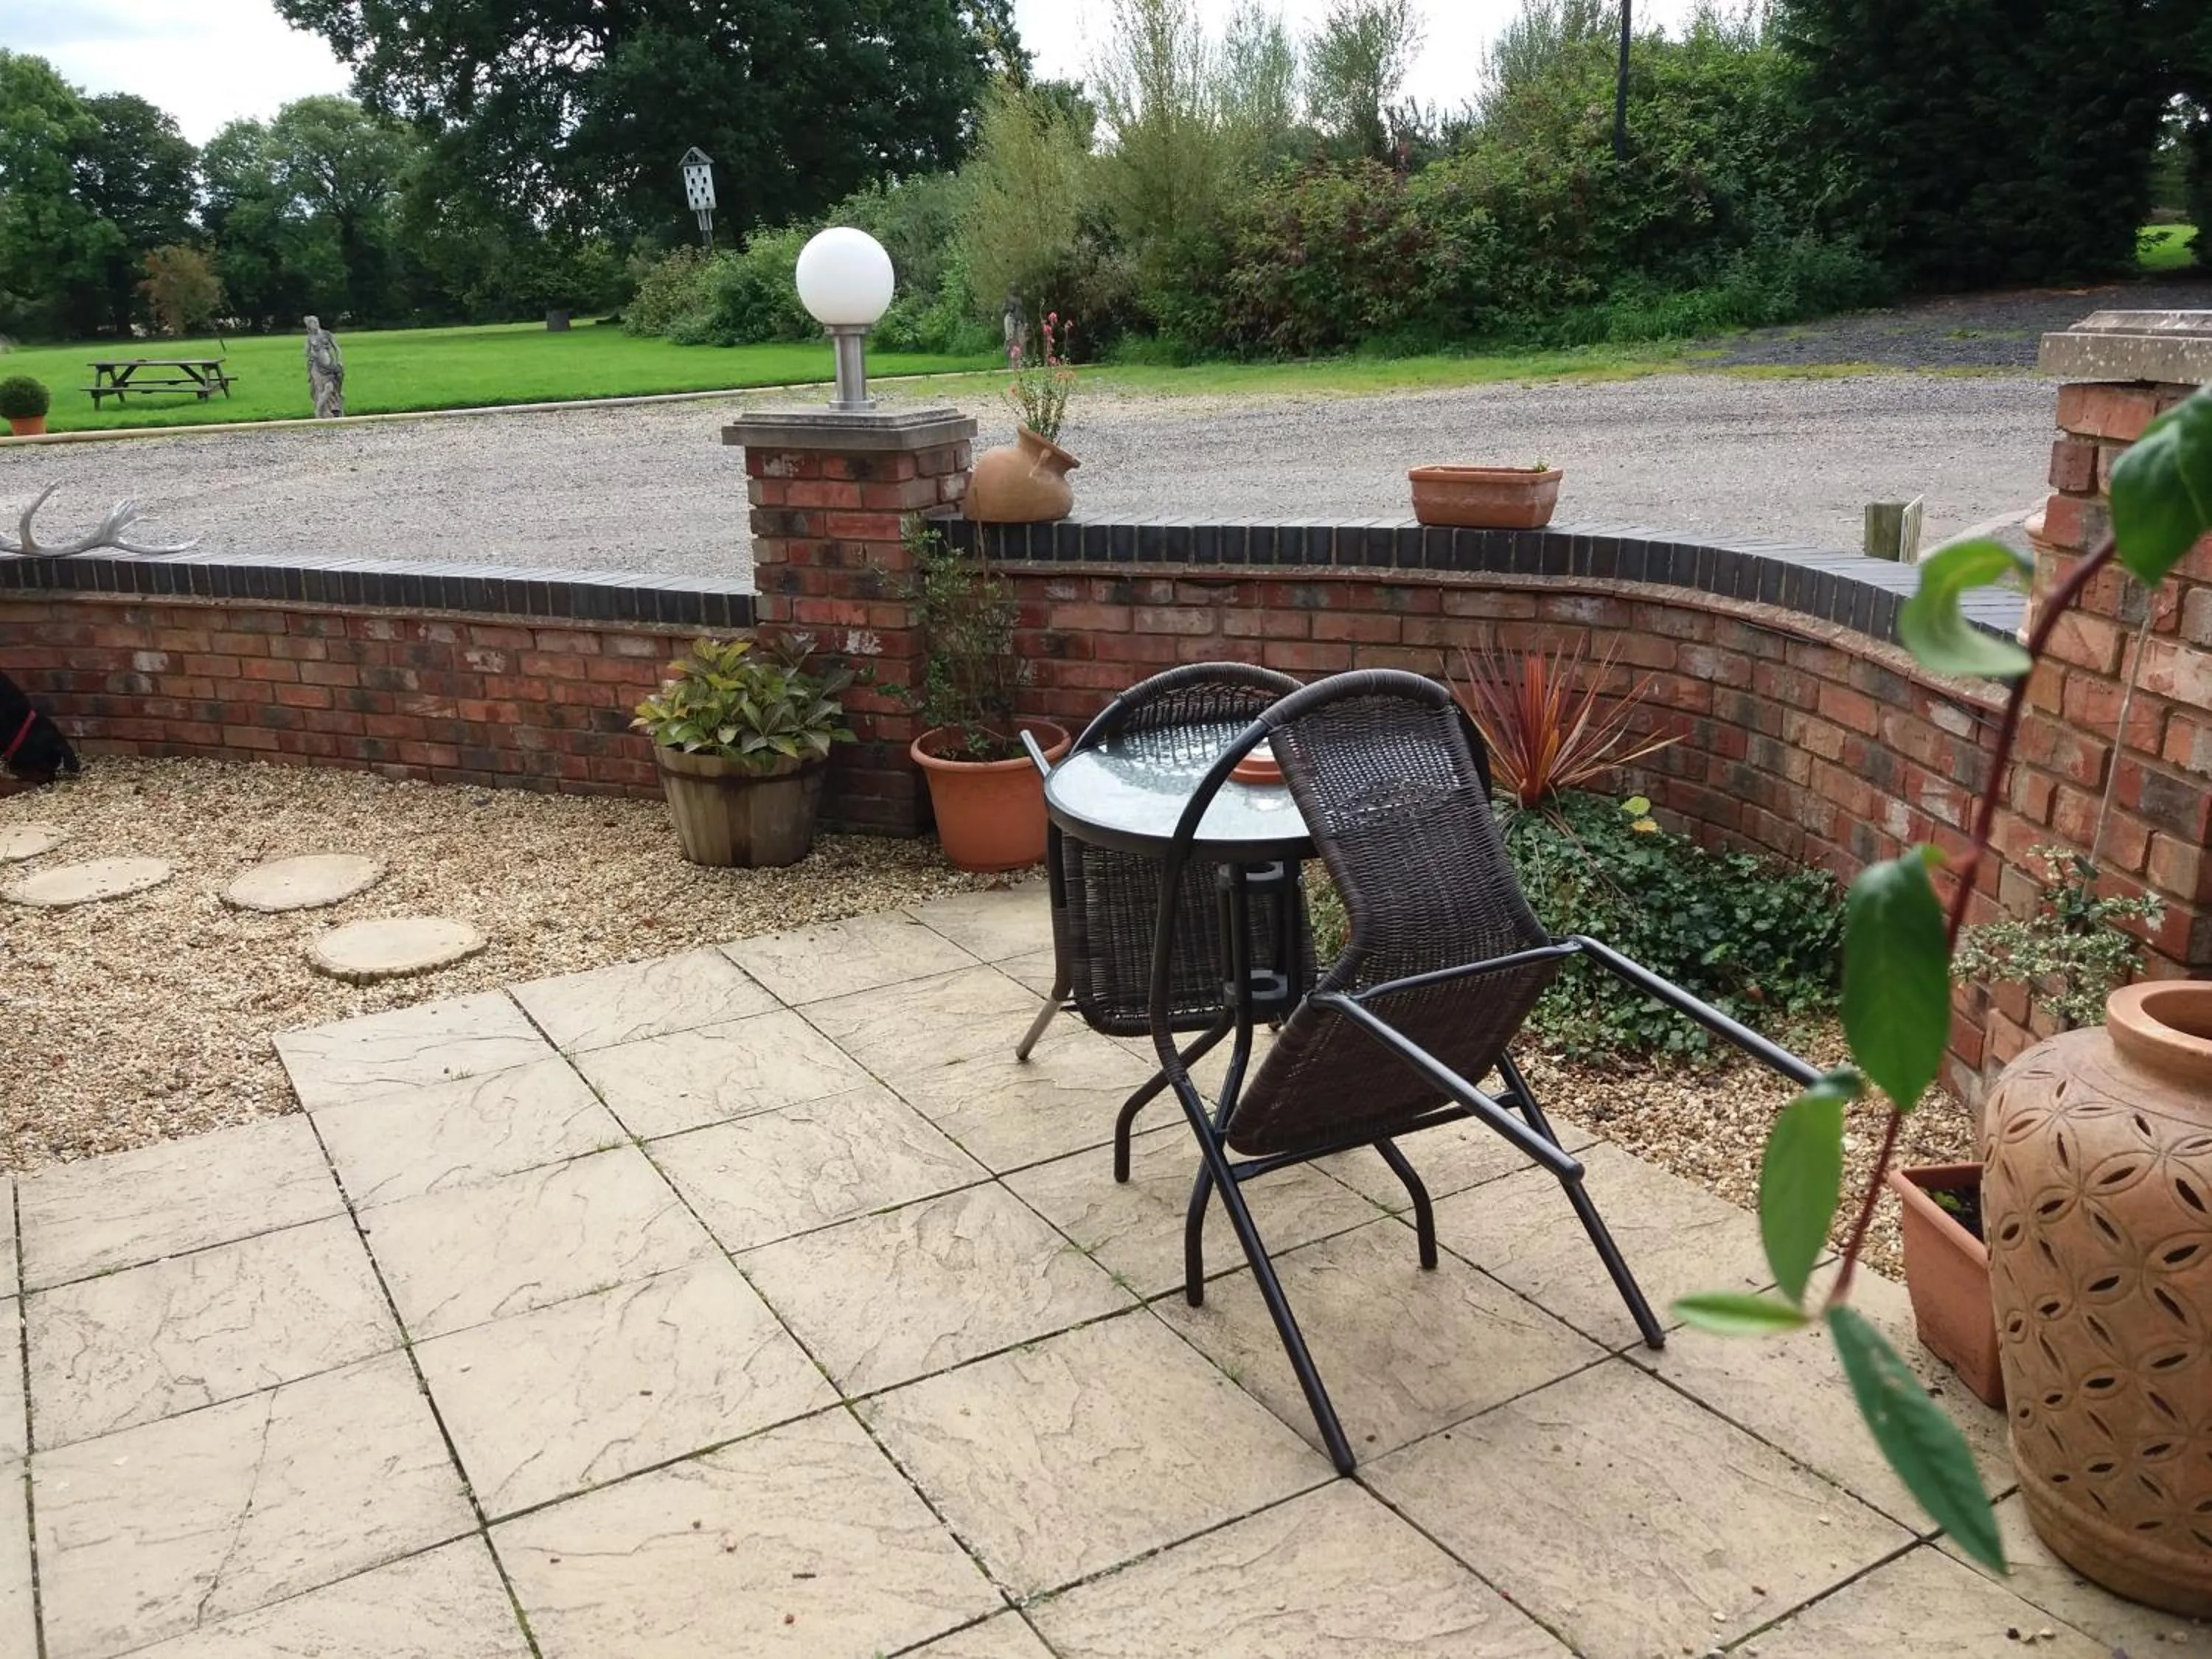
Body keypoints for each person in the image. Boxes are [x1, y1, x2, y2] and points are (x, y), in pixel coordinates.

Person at [304, 316, 345, 418]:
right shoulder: (310, 338)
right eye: (312, 324)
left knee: (333, 388)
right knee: (323, 389)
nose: (315, 325)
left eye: (316, 322)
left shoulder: (327, 334)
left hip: (329, 365)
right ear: (309, 327)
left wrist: (339, 360)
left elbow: (337, 349)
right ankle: (322, 411)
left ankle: (334, 408)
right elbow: (306, 352)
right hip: (317, 367)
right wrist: (312, 354)